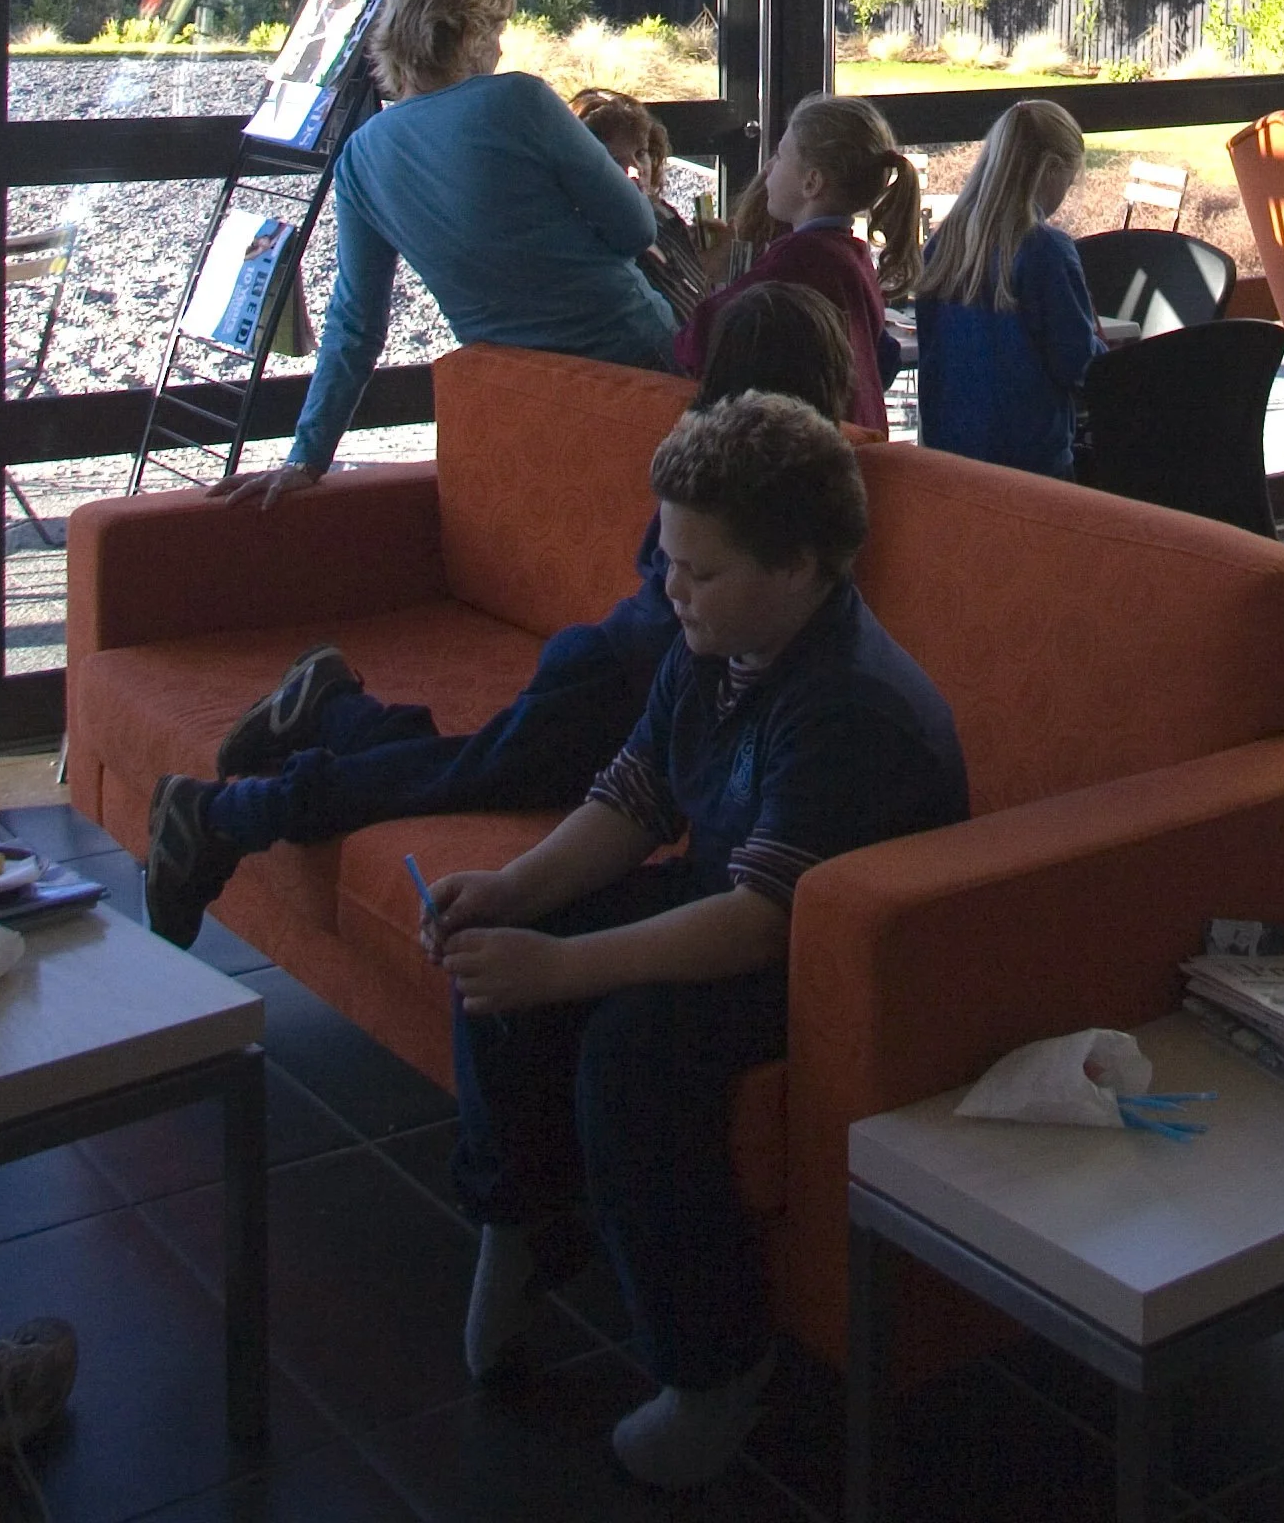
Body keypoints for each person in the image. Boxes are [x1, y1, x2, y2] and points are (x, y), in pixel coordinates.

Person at [431, 393, 967, 1486]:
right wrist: (513, 892)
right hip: (732, 899)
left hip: (828, 964)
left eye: (700, 569)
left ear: (802, 566)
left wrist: (565, 965)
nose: (670, 588)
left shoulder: (848, 704)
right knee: (503, 952)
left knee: (636, 1053)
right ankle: (521, 1218)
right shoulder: (715, 637)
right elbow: (635, 796)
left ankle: (715, 1367)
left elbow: (763, 921)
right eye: (667, 561)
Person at [144, 284, 858, 947]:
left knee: (467, 766)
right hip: (611, 686)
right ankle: (222, 817)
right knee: (459, 777)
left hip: (607, 671)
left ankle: (332, 709)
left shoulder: (709, 458)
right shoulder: (757, 494)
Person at [229, 0, 677, 508]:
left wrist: (307, 456)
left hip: (519, 390)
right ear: (464, 31)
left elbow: (354, 324)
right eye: (495, 29)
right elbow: (636, 231)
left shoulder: (361, 159)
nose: (500, 47)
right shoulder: (520, 101)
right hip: (633, 357)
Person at [673, 93, 921, 433]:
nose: (769, 168)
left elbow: (697, 345)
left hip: (816, 451)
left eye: (779, 155)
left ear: (811, 182)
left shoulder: (798, 260)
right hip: (855, 440)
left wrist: (711, 276)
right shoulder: (851, 254)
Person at [914, 97, 1102, 474]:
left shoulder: (943, 243)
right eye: (1068, 178)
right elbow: (1076, 362)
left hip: (946, 457)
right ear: (1050, 170)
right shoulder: (1046, 250)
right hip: (1030, 464)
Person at [571, 87, 708, 325]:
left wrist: (710, 265)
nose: (635, 170)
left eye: (641, 153)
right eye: (614, 161)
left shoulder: (665, 216)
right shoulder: (595, 249)